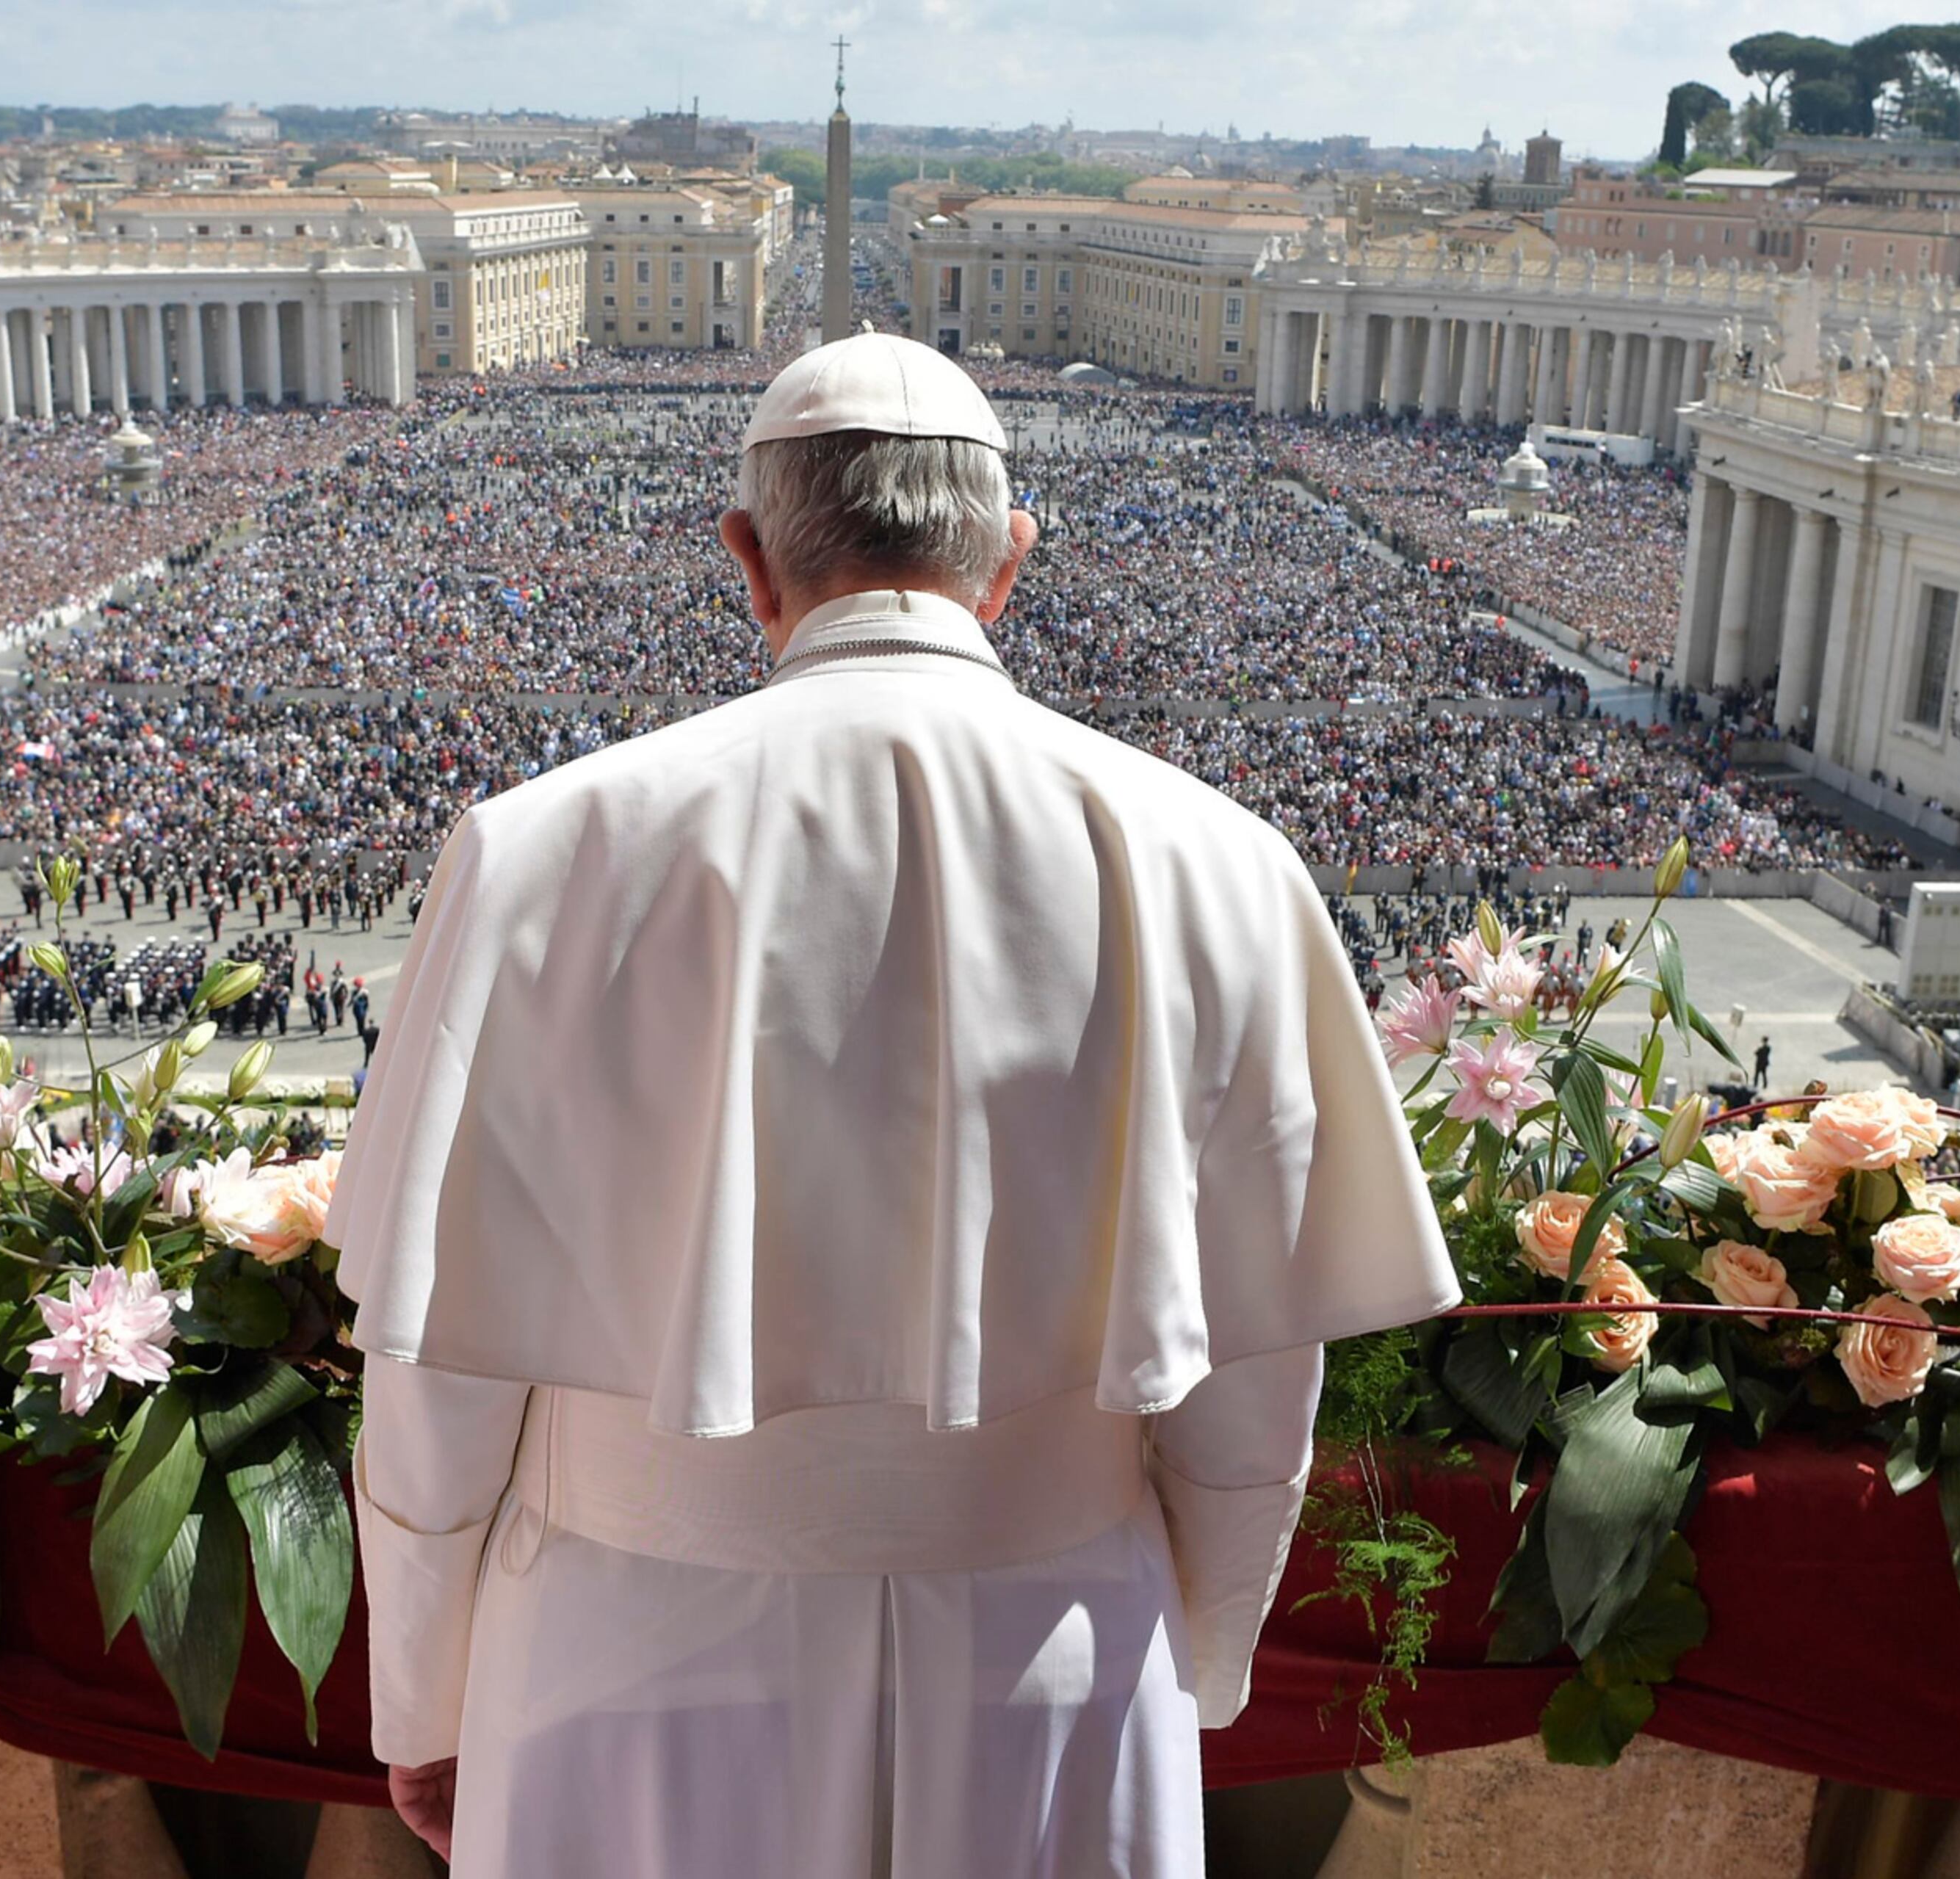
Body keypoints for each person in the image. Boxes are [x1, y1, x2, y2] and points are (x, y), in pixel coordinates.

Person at [327, 335, 1457, 1878]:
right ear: (1011, 565)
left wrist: (425, 1691)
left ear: (748, 558)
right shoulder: (1223, 860)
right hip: (1048, 1638)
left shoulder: (541, 848)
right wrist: (1194, 1651)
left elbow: (438, 1368)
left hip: (626, 1648)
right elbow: (1252, 1378)